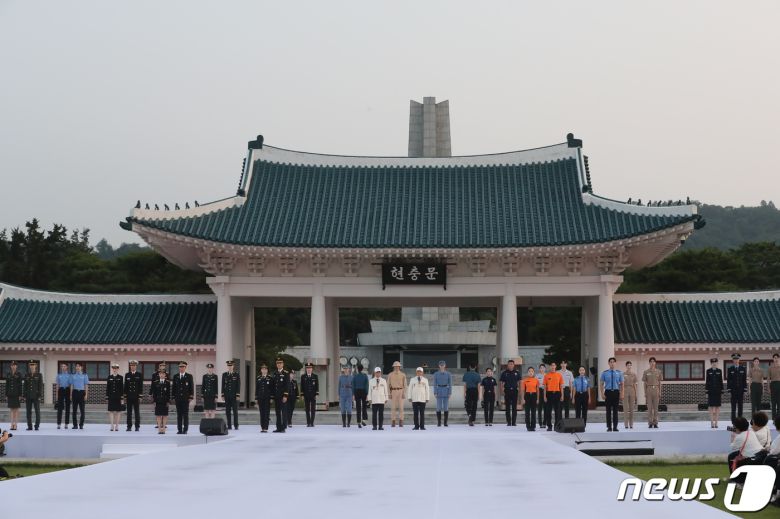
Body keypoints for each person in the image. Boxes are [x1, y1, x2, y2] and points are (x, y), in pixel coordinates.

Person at [600, 357, 624, 432]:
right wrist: (602, 393)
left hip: (616, 392)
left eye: (613, 362)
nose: (612, 363)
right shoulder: (605, 373)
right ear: (608, 363)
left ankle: (615, 427)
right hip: (608, 392)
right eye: (611, 362)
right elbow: (601, 384)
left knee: (615, 411)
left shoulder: (619, 373)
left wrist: (622, 393)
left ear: (615, 363)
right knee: (608, 411)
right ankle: (609, 427)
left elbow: (622, 384)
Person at [172, 361, 194, 434]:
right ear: (179, 368)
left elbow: (191, 387)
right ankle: (179, 429)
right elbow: (174, 387)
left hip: (186, 398)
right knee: (179, 415)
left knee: (185, 414)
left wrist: (191, 397)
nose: (181, 368)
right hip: (178, 398)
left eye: (183, 367)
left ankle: (185, 429)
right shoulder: (176, 376)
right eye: (180, 367)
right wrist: (173, 397)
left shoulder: (189, 376)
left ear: (185, 367)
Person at [23, 360, 43, 431]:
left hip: (36, 396)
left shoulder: (39, 375)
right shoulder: (26, 375)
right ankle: (29, 426)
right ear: (29, 366)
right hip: (28, 396)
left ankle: (37, 425)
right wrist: (24, 396)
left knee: (37, 411)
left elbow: (40, 386)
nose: (32, 366)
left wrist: (40, 396)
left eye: (33, 365)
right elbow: (25, 386)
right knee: (28, 411)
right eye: (31, 365)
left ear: (36, 366)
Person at [642, 357, 663, 429]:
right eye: (651, 361)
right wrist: (645, 392)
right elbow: (644, 383)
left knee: (656, 408)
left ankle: (655, 423)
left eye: (653, 361)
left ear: (655, 363)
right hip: (649, 389)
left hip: (656, 389)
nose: (652, 363)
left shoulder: (659, 371)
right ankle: (650, 423)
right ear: (649, 363)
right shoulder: (646, 372)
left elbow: (660, 383)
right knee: (650, 408)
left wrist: (660, 392)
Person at [499, 359, 521, 426]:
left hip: (514, 391)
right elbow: (501, 383)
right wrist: (502, 391)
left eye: (512, 364)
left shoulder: (517, 373)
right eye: (509, 364)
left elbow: (519, 382)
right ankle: (509, 422)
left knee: (514, 407)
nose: (511, 365)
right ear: (507, 365)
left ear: (514, 365)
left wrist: (519, 390)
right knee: (507, 407)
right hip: (507, 391)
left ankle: (514, 422)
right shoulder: (504, 373)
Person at [543, 362, 564, 431]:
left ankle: (556, 426)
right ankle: (549, 426)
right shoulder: (546, 375)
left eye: (554, 365)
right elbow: (545, 387)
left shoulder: (559, 375)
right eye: (551, 365)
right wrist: (544, 396)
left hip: (557, 394)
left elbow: (561, 386)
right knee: (548, 411)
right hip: (549, 394)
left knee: (557, 411)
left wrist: (562, 395)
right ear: (550, 367)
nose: (552, 367)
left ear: (556, 367)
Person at [271, 357, 290, 433]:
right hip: (277, 396)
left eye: (280, 363)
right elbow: (273, 386)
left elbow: (287, 385)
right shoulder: (275, 373)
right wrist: (272, 396)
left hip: (283, 397)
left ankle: (283, 427)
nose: (279, 365)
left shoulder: (286, 373)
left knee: (284, 412)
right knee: (277, 412)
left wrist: (285, 396)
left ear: (283, 364)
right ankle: (278, 427)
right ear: (276, 365)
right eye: (277, 363)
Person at [727, 353, 748, 421]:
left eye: (737, 359)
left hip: (741, 391)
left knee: (740, 406)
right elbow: (729, 380)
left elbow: (744, 380)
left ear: (739, 360)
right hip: (733, 391)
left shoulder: (743, 368)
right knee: (733, 407)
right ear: (733, 360)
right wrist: (729, 390)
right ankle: (733, 421)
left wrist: (745, 390)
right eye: (734, 359)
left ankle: (740, 420)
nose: (736, 360)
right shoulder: (730, 369)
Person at [124, 360, 143, 431]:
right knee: (129, 412)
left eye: (134, 365)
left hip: (136, 396)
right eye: (131, 365)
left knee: (137, 412)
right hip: (129, 396)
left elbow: (140, 386)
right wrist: (125, 396)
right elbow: (125, 386)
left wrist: (140, 396)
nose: (133, 367)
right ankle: (129, 426)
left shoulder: (139, 375)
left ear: (136, 366)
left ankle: (137, 426)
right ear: (130, 366)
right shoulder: (127, 375)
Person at [221, 360, 241, 430]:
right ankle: (229, 425)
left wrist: (238, 395)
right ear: (227, 366)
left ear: (233, 366)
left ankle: (236, 425)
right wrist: (222, 395)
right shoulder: (224, 374)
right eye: (229, 366)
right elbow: (223, 385)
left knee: (235, 411)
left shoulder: (236, 374)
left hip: (234, 396)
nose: (230, 367)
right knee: (227, 411)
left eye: (231, 365)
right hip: (227, 396)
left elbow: (238, 385)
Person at [705, 358, 724, 428]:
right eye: (713, 362)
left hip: (718, 391)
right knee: (711, 406)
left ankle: (716, 423)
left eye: (715, 362)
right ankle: (711, 422)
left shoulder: (719, 371)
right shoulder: (708, 371)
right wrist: (706, 391)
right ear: (711, 363)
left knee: (717, 407)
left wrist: (722, 391)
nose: (714, 363)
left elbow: (721, 382)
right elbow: (707, 381)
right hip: (710, 391)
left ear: (717, 363)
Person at [70, 362, 89, 430]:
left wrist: (86, 394)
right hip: (75, 392)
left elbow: (86, 385)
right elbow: (71, 385)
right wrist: (71, 395)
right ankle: (75, 425)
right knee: (74, 410)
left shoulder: (85, 375)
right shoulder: (73, 376)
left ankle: (81, 425)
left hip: (81, 393)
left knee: (82, 410)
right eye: (76, 366)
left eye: (79, 366)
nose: (77, 367)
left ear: (81, 367)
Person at [151, 369, 171, 434]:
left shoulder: (167, 382)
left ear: (165, 375)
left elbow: (168, 393)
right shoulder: (155, 382)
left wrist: (168, 401)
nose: (162, 375)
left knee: (165, 415)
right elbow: (154, 393)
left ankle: (164, 428)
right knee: (158, 415)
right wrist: (154, 401)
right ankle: (159, 429)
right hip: (158, 401)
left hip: (165, 401)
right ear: (159, 375)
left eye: (163, 374)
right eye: (160, 374)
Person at [388, 361, 407, 427]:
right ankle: (393, 421)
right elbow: (388, 385)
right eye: (395, 366)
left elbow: (405, 385)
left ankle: (401, 421)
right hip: (393, 391)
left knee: (401, 407)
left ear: (399, 367)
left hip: (400, 391)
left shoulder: (403, 375)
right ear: (393, 367)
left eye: (397, 366)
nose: (396, 367)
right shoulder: (390, 375)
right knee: (393, 407)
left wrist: (404, 393)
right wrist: (389, 393)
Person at [433, 360, 452, 427]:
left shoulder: (448, 374)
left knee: (446, 407)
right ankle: (439, 422)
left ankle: (445, 422)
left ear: (445, 365)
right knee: (438, 407)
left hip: (446, 391)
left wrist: (450, 392)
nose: (442, 366)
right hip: (439, 390)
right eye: (440, 365)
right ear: (439, 366)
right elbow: (435, 384)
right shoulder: (436, 374)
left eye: (443, 365)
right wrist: (435, 392)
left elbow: (450, 384)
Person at [520, 367, 539, 431]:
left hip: (534, 395)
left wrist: (537, 399)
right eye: (529, 371)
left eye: (532, 371)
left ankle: (533, 426)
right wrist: (523, 399)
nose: (531, 372)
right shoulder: (524, 380)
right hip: (527, 396)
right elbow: (523, 390)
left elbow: (538, 390)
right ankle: (528, 426)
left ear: (534, 373)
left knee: (533, 412)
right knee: (527, 412)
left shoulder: (536, 380)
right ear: (527, 373)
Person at [300, 362, 319, 427]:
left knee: (313, 409)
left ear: (312, 369)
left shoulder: (315, 376)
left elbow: (317, 386)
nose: (309, 369)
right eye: (307, 368)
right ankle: (308, 422)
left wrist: (316, 394)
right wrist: (302, 395)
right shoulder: (303, 376)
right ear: (306, 369)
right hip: (306, 395)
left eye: (310, 368)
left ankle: (312, 422)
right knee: (307, 409)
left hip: (313, 395)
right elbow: (302, 386)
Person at [255, 364, 273, 432]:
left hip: (267, 398)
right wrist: (256, 398)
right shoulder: (258, 378)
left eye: (265, 369)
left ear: (267, 370)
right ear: (261, 370)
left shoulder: (270, 378)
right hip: (260, 398)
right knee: (261, 413)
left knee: (266, 413)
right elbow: (257, 389)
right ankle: (262, 427)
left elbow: (271, 389)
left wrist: (271, 398)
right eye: (263, 369)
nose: (264, 370)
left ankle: (266, 427)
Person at [5, 361, 22, 430]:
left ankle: (16, 424)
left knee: (16, 409)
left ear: (16, 366)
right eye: (12, 365)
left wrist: (20, 395)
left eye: (14, 365)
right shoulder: (8, 374)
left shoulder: (19, 374)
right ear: (10, 366)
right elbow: (7, 385)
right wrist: (6, 394)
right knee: (11, 409)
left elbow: (20, 385)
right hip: (10, 394)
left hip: (16, 394)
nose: (13, 366)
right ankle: (11, 424)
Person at [106, 363, 124, 432]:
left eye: (116, 368)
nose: (114, 369)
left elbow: (121, 388)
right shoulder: (109, 377)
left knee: (118, 411)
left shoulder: (120, 377)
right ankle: (111, 425)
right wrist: (107, 397)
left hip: (118, 396)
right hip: (111, 396)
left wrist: (122, 398)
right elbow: (108, 388)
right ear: (112, 369)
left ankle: (117, 425)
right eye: (113, 368)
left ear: (118, 369)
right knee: (111, 411)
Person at [55, 363, 72, 430]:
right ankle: (59, 424)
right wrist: (56, 394)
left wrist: (70, 394)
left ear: (67, 367)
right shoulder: (59, 375)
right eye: (62, 366)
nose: (63, 367)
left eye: (64, 366)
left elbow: (70, 386)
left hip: (67, 390)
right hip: (61, 390)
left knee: (67, 408)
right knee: (60, 408)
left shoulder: (69, 375)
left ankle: (66, 424)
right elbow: (57, 385)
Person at [623, 361, 638, 429]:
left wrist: (635, 393)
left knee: (632, 408)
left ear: (631, 366)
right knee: (626, 408)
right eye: (628, 365)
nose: (629, 366)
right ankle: (626, 424)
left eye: (630, 365)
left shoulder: (634, 374)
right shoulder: (623, 374)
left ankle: (631, 424)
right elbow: (621, 384)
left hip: (632, 390)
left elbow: (635, 384)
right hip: (625, 390)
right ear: (626, 366)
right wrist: (621, 393)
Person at [536, 364, 547, 428]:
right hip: (539, 391)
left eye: (543, 368)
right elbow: (536, 385)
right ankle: (540, 423)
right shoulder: (537, 376)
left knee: (546, 408)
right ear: (539, 369)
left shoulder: (547, 375)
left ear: (545, 369)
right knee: (539, 408)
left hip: (545, 391)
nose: (542, 369)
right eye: (541, 368)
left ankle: (544, 423)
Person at [770, 354, 780, 421]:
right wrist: (768, 387)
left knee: (779, 403)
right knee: (773, 403)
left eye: (777, 358)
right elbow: (768, 378)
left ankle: (778, 419)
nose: (776, 359)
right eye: (774, 358)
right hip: (773, 384)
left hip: (779, 383)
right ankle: (773, 419)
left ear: (778, 359)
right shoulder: (770, 367)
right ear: (773, 359)